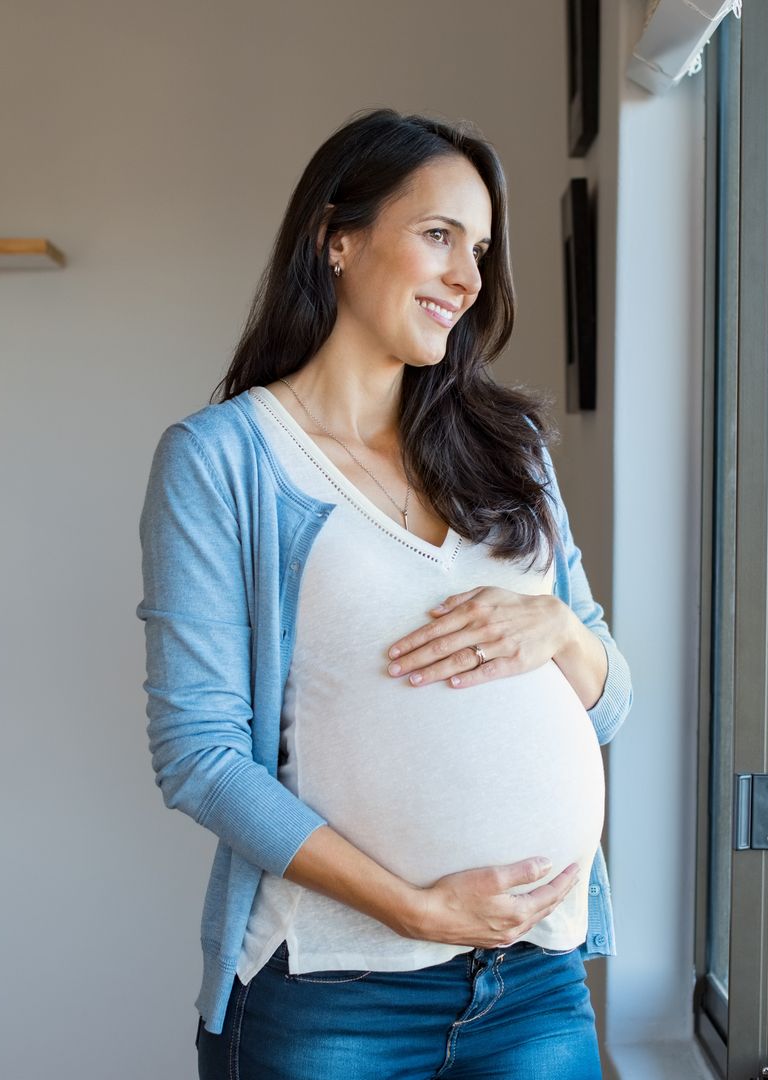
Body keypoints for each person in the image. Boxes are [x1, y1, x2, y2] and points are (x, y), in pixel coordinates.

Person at [136, 107, 633, 1080]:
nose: (468, 278)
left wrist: (563, 635)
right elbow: (198, 755)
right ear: (338, 239)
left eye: (480, 249)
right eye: (439, 236)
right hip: (334, 990)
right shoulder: (225, 460)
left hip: (534, 978)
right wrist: (415, 908)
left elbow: (610, 703)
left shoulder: (510, 449)